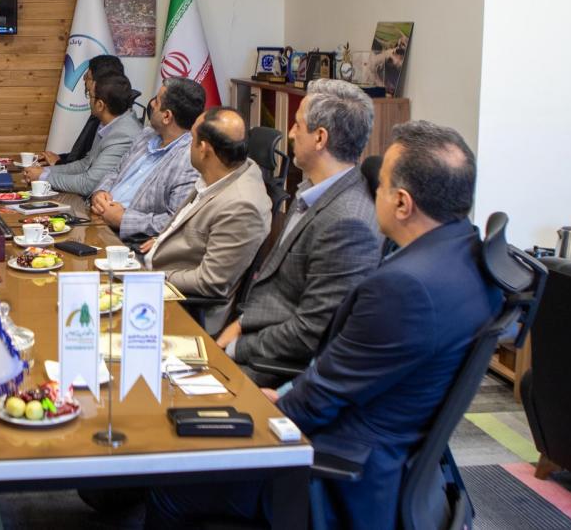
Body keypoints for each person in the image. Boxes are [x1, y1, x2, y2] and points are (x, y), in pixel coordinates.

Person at [147, 121, 500, 529]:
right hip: (388, 458)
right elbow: (346, 377)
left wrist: (266, 407)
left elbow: (323, 399)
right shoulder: (469, 257)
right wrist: (284, 393)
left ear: (403, 204)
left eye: (381, 186)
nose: (372, 194)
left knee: (170, 482)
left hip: (336, 474)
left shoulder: (404, 289)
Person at [216, 79, 382, 387]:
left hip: (269, 368)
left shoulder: (348, 223)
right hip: (250, 330)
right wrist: (240, 325)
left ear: (320, 138)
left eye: (297, 125)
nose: (290, 134)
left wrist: (236, 346)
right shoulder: (313, 190)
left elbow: (310, 332)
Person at [140, 107, 271, 329]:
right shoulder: (222, 174)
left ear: (204, 149)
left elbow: (210, 282)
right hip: (159, 280)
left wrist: (146, 277)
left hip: (181, 310)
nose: (188, 146)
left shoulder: (241, 206)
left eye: (192, 138)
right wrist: (163, 240)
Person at [89, 77, 205, 243]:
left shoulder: (189, 161)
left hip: (125, 241)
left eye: (156, 101)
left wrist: (123, 219)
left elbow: (177, 220)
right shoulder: (147, 134)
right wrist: (100, 193)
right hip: (96, 219)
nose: (151, 104)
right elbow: (116, 171)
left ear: (167, 116)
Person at [23, 72, 140, 198]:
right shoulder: (109, 123)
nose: (89, 100)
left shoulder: (123, 135)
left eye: (90, 96)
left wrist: (43, 177)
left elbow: (88, 185)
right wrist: (44, 171)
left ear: (100, 105)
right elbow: (85, 164)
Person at [38, 54, 126, 166]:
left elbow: (90, 169)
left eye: (88, 77)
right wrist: (59, 158)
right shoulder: (100, 113)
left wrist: (58, 164)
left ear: (100, 83)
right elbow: (83, 156)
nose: (84, 79)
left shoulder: (115, 125)